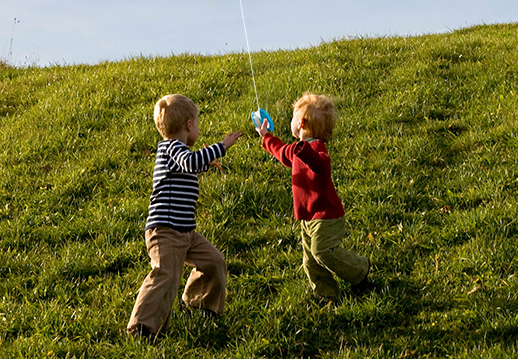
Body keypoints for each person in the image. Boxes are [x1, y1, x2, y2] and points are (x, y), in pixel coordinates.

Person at [127, 94, 243, 338]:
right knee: (166, 274)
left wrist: (206, 163)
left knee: (213, 260)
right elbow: (188, 161)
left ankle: (198, 304)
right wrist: (221, 147)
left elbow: (188, 164)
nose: (197, 128)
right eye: (197, 124)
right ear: (189, 125)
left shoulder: (177, 153)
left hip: (186, 232)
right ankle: (142, 327)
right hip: (165, 231)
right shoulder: (171, 148)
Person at [256, 92, 370, 300]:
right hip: (307, 217)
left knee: (322, 252)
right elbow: (282, 151)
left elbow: (321, 164)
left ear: (301, 123)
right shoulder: (298, 149)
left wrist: (302, 150)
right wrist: (266, 137)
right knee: (310, 261)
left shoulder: (316, 149)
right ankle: (327, 296)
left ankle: (360, 270)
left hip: (326, 215)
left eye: (292, 117)